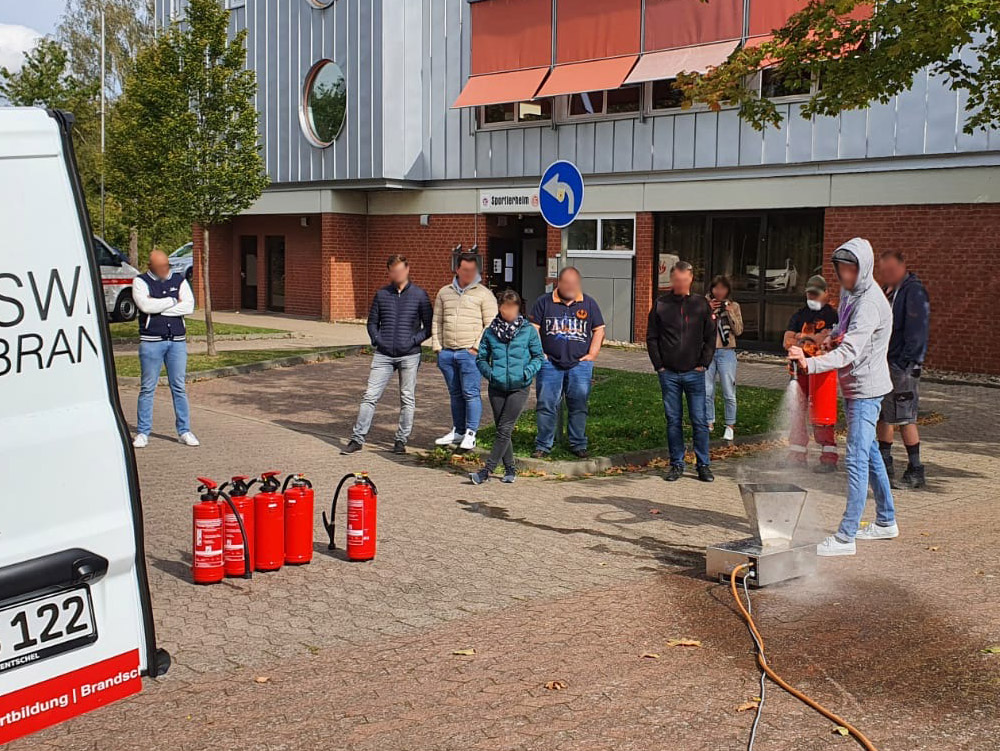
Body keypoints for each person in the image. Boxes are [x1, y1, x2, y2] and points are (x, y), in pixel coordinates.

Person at [789, 238, 897, 557]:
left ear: (863, 268)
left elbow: (851, 351)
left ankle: (846, 536)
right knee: (870, 452)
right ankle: (886, 520)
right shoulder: (852, 294)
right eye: (841, 269)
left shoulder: (870, 302)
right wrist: (829, 339)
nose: (845, 275)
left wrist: (811, 363)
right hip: (855, 387)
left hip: (866, 390)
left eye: (851, 269)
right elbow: (845, 334)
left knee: (855, 457)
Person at [342, 255, 432, 455]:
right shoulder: (382, 294)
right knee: (369, 396)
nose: (398, 274)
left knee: (407, 398)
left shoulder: (419, 295)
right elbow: (372, 322)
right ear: (389, 272)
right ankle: (357, 439)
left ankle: (401, 441)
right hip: (383, 354)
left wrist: (412, 341)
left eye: (401, 270)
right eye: (394, 271)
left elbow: (429, 327)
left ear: (407, 269)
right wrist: (377, 340)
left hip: (409, 355)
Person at [647, 261, 716, 482]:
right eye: (676, 280)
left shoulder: (701, 305)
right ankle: (676, 463)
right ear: (671, 279)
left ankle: (703, 464)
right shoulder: (660, 305)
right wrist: (659, 365)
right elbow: (652, 337)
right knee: (673, 420)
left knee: (699, 419)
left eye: (684, 280)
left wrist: (704, 363)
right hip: (669, 374)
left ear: (691, 279)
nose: (680, 284)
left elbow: (710, 337)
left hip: (694, 373)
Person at [529, 267, 605, 459]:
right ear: (559, 283)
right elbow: (533, 329)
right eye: (567, 283)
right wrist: (540, 354)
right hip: (550, 364)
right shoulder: (543, 302)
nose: (571, 287)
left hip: (580, 365)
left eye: (575, 283)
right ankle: (543, 445)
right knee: (546, 405)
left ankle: (578, 443)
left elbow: (599, 329)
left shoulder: (588, 303)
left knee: (578, 405)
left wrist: (593, 354)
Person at [471, 290, 546, 484]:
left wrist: (526, 373)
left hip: (519, 388)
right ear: (499, 307)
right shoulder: (490, 332)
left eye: (513, 307)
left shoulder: (527, 330)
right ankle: (510, 469)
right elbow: (481, 359)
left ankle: (486, 471)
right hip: (497, 387)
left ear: (518, 308)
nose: (509, 311)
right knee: (502, 430)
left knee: (504, 428)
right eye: (505, 307)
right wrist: (491, 373)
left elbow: (538, 357)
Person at [131, 249, 198, 448]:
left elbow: (189, 306)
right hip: (151, 341)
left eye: (166, 266)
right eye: (160, 267)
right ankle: (143, 432)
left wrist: (160, 307)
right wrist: (170, 301)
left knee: (179, 387)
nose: (164, 270)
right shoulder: (140, 282)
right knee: (147, 388)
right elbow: (145, 306)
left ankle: (184, 430)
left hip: (177, 340)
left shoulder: (179, 280)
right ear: (150, 266)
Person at [431, 252, 498, 450]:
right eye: (465, 269)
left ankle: (471, 432)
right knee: (455, 394)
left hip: (470, 354)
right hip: (447, 353)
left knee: (471, 393)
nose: (468, 273)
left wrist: (476, 348)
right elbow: (437, 320)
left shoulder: (484, 294)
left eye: (472, 270)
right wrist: (438, 347)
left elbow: (491, 324)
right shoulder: (444, 292)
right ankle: (458, 431)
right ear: (457, 269)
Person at [876, 250, 930, 489]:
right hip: (886, 362)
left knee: (905, 415)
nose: (885, 275)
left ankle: (916, 469)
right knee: (884, 414)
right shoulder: (890, 292)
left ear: (901, 267)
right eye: (883, 271)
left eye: (890, 270)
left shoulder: (913, 291)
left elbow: (917, 329)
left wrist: (906, 361)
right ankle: (884, 464)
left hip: (902, 365)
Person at [783, 275, 840, 472]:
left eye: (816, 293)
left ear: (826, 293)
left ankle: (828, 457)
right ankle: (797, 455)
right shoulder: (799, 315)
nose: (812, 297)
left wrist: (803, 338)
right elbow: (787, 341)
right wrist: (810, 338)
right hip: (799, 372)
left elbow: (829, 341)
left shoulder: (833, 316)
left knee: (822, 414)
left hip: (823, 373)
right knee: (797, 412)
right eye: (809, 293)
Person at [704, 276, 743, 442]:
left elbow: (739, 330)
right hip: (708, 351)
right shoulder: (703, 304)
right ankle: (708, 422)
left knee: (729, 391)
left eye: (723, 289)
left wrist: (729, 312)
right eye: (716, 288)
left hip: (727, 352)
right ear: (711, 289)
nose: (719, 292)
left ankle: (730, 426)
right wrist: (707, 311)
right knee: (707, 390)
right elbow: (697, 327)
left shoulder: (734, 306)